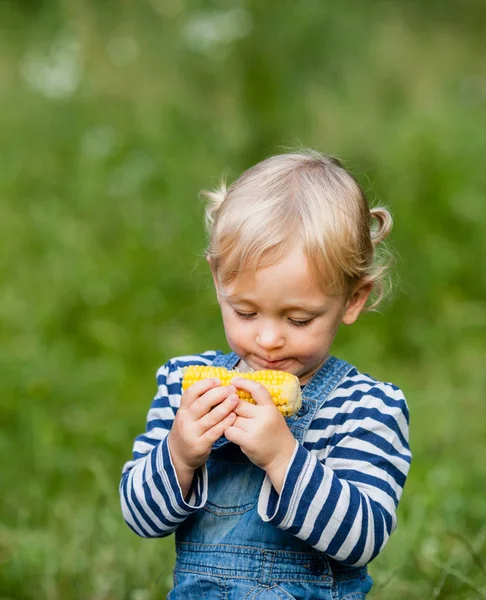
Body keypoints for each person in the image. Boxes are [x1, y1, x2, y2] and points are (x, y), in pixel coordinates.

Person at [119, 150, 411, 599]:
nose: (269, 339)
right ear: (219, 281)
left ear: (353, 299)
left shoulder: (365, 408)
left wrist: (283, 458)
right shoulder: (184, 385)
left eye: (298, 320)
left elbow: (362, 540)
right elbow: (140, 517)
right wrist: (179, 454)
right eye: (246, 311)